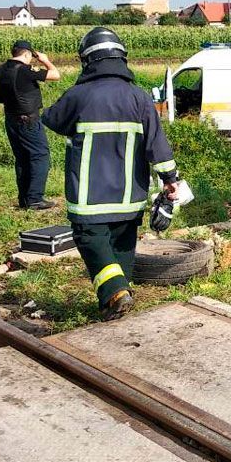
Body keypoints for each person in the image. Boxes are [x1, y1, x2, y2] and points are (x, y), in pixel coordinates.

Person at [42, 28, 181, 321]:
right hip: (130, 197)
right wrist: (170, 180)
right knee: (122, 245)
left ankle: (117, 291)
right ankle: (115, 302)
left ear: (88, 61)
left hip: (89, 198)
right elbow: (158, 145)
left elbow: (52, 119)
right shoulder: (139, 97)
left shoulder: (80, 95)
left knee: (92, 241)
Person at [0, 40, 60, 210]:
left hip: (11, 119)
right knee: (40, 156)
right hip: (28, 120)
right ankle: (35, 198)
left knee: (22, 159)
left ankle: (25, 199)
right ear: (27, 54)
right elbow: (55, 75)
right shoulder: (25, 70)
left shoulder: (0, 70)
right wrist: (44, 60)